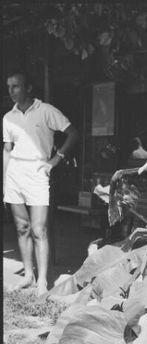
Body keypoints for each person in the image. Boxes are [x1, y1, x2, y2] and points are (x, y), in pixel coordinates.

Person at [3, 70, 79, 295]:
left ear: (28, 88)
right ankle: (28, 275)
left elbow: (73, 133)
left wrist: (55, 160)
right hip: (14, 175)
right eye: (9, 87)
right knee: (22, 227)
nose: (11, 91)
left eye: (16, 86)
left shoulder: (46, 110)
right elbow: (7, 150)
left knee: (39, 229)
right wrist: (4, 181)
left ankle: (43, 281)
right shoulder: (8, 117)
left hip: (38, 173)